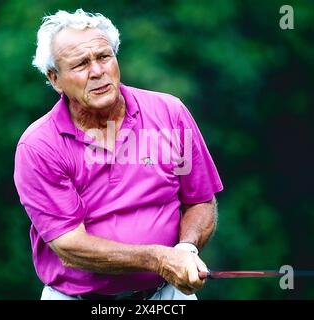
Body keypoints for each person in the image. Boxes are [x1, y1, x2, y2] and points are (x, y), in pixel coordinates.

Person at [13, 8, 223, 300]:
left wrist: (186, 248)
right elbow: (70, 246)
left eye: (103, 57)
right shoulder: (39, 146)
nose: (97, 71)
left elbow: (200, 201)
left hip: (167, 293)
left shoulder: (170, 113)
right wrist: (158, 259)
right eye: (80, 64)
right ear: (55, 79)